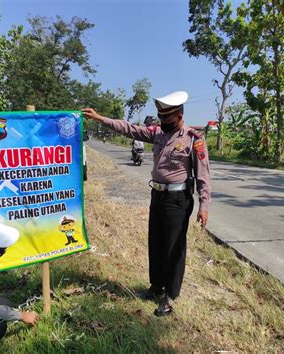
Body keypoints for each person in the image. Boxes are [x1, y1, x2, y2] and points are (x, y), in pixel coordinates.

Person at [82, 91, 210, 316]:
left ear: (179, 115)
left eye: (167, 118)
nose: (162, 122)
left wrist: (204, 205)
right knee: (156, 242)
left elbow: (203, 174)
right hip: (158, 195)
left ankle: (170, 295)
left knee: (174, 247)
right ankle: (155, 287)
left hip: (178, 200)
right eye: (160, 117)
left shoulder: (193, 138)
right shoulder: (157, 133)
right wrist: (100, 118)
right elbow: (129, 128)